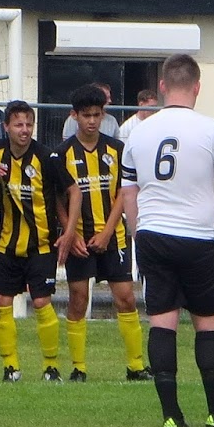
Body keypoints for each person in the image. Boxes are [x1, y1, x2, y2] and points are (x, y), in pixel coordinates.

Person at [122, 53, 214, 427]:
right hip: (198, 239)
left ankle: (172, 416)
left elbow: (128, 190)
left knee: (163, 321)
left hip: (153, 236)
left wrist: (137, 231)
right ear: (197, 87)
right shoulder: (211, 129)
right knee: (208, 323)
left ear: (161, 87)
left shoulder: (138, 131)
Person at [56, 83, 151, 381]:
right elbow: (57, 199)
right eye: (86, 115)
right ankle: (78, 368)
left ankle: (136, 366)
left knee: (125, 298)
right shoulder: (61, 154)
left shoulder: (117, 149)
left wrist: (109, 231)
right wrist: (71, 236)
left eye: (97, 114)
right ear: (74, 117)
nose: (92, 121)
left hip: (114, 238)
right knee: (78, 299)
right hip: (80, 242)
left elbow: (125, 193)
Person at [0, 100, 79, 383]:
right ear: (6, 127)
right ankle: (11, 367)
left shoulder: (47, 157)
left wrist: (70, 232)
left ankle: (51, 367)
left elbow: (74, 191)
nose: (24, 130)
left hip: (41, 244)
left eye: (29, 124)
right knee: (1, 301)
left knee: (41, 302)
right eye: (18, 124)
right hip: (6, 243)